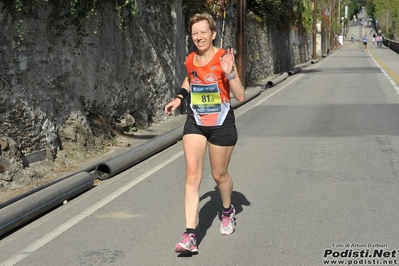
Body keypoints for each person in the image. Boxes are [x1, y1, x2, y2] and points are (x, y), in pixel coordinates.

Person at [164, 12, 245, 254]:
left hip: (221, 124)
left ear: (213, 33)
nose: (198, 37)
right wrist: (179, 97)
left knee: (219, 176)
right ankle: (190, 235)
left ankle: (228, 210)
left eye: (203, 32)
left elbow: (240, 96)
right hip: (196, 122)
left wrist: (230, 73)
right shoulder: (190, 59)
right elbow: (191, 78)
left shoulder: (224, 58)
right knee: (192, 175)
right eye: (194, 33)